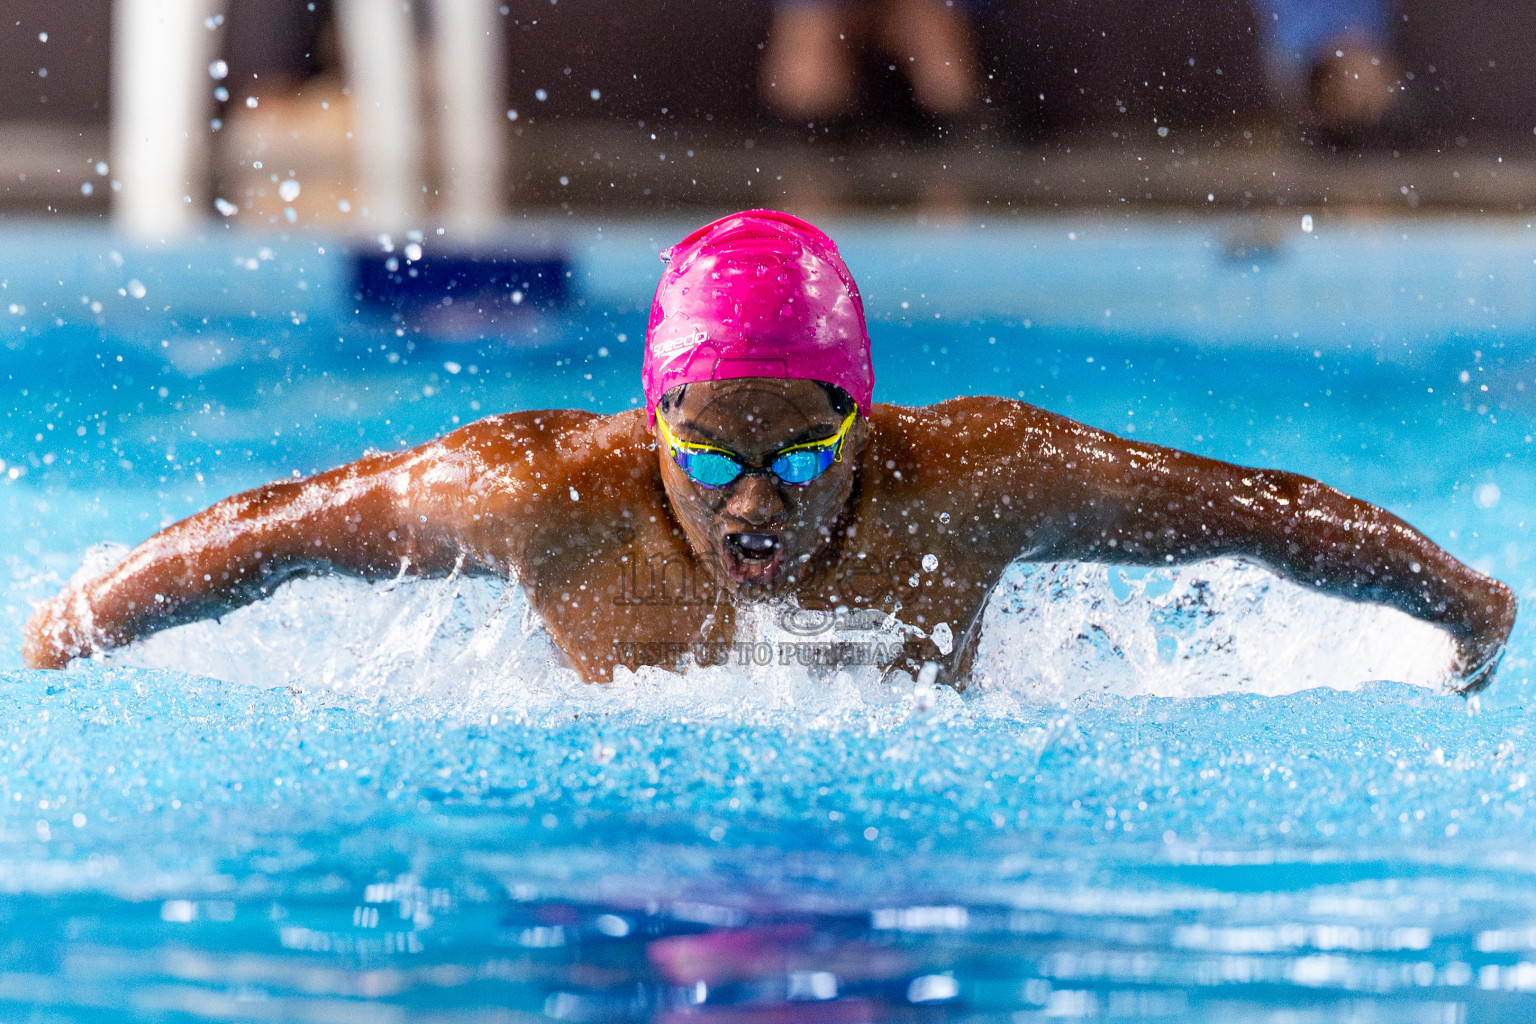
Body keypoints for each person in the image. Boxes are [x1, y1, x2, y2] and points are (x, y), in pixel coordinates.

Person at [23, 210, 1516, 692]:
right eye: (713, 457)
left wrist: (1465, 609)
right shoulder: (540, 494)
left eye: (803, 460)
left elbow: (1260, 512)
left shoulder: (987, 479)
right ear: (649, 430)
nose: (756, 501)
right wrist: (65, 635)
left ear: (865, 424)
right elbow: (280, 528)